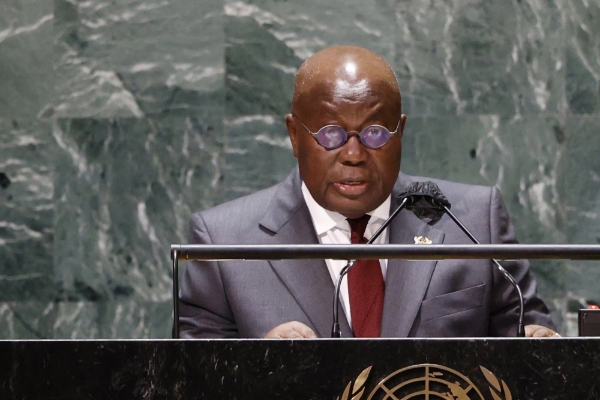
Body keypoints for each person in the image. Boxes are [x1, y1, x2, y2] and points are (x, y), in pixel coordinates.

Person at [178, 45, 558, 339]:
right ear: (295, 136)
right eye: (330, 134)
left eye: (376, 133)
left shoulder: (473, 222)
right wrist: (257, 368)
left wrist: (541, 344)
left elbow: (530, 342)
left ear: (401, 132)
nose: (355, 154)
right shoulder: (222, 245)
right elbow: (188, 381)